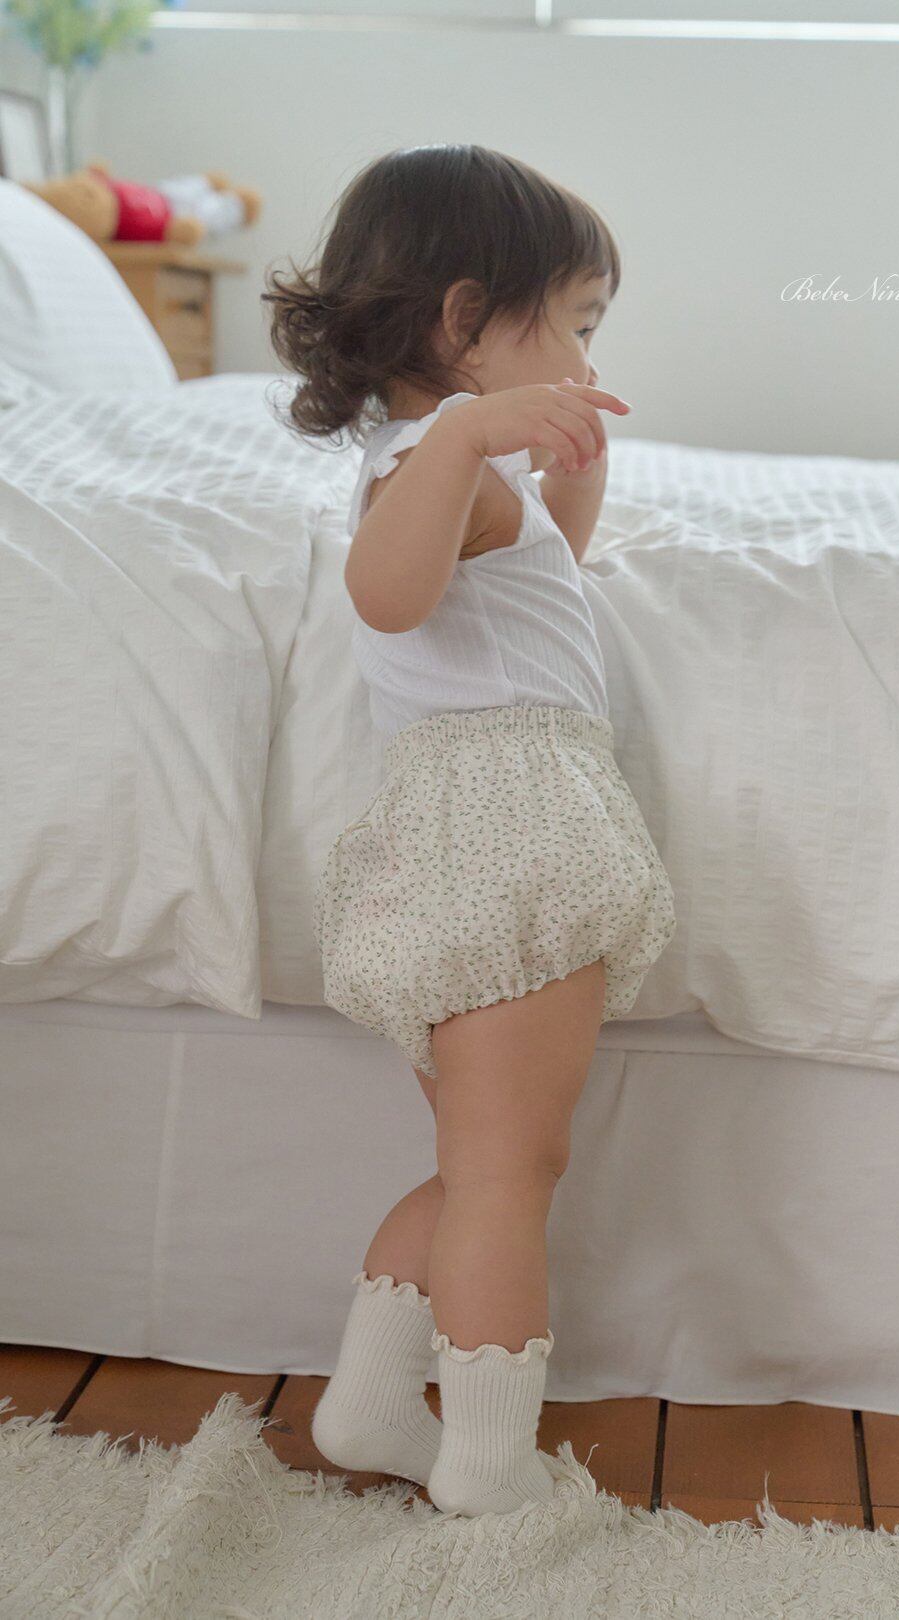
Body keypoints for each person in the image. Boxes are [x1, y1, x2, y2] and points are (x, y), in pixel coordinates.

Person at [262, 142, 676, 1518]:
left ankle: (372, 1404)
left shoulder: (457, 476)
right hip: (511, 830)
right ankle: (491, 1474)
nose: (584, 357)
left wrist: (568, 471)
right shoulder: (422, 464)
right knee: (509, 1177)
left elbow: (530, 577)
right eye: (575, 324)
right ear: (463, 322)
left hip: (473, 838)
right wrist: (462, 440)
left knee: (482, 1166)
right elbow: (387, 594)